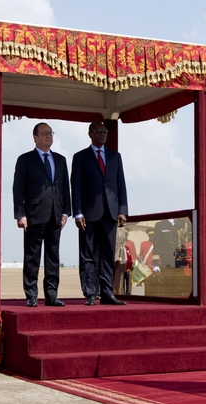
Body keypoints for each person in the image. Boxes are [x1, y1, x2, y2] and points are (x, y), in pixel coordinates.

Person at [13, 122, 71, 307]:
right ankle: (31, 295)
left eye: (50, 133)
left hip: (55, 215)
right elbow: (18, 189)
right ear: (35, 137)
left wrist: (65, 212)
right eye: (44, 133)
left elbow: (65, 188)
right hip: (33, 216)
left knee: (53, 257)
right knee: (32, 256)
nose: (49, 136)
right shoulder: (25, 159)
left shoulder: (60, 160)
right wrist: (20, 214)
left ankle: (51, 295)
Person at [71, 121, 128, 306]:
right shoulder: (80, 157)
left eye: (105, 131)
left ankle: (107, 292)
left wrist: (123, 210)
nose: (102, 134)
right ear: (90, 134)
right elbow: (76, 188)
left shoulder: (115, 156)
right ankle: (90, 292)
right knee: (88, 254)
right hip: (88, 214)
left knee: (107, 254)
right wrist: (78, 213)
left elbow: (121, 185)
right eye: (98, 131)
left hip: (110, 213)